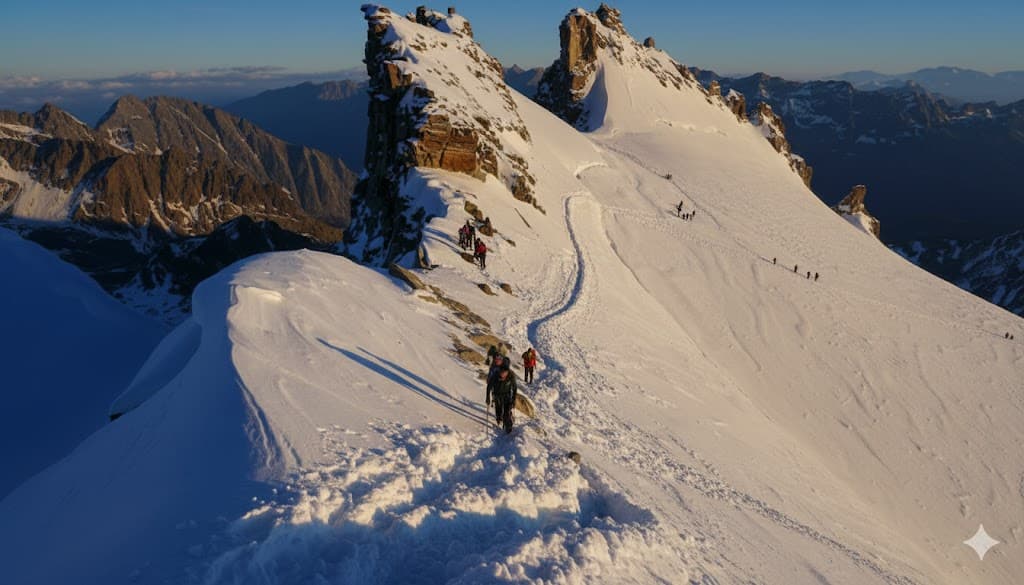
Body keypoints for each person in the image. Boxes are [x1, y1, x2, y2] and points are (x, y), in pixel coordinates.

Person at [491, 363, 519, 433]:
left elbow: (514, 388)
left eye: (505, 372)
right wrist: (488, 397)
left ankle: (508, 427)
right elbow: (489, 386)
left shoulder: (511, 376)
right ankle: (499, 419)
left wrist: (513, 399)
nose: (503, 374)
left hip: (507, 396)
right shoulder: (495, 376)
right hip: (498, 396)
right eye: (502, 372)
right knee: (499, 409)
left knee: (506, 412)